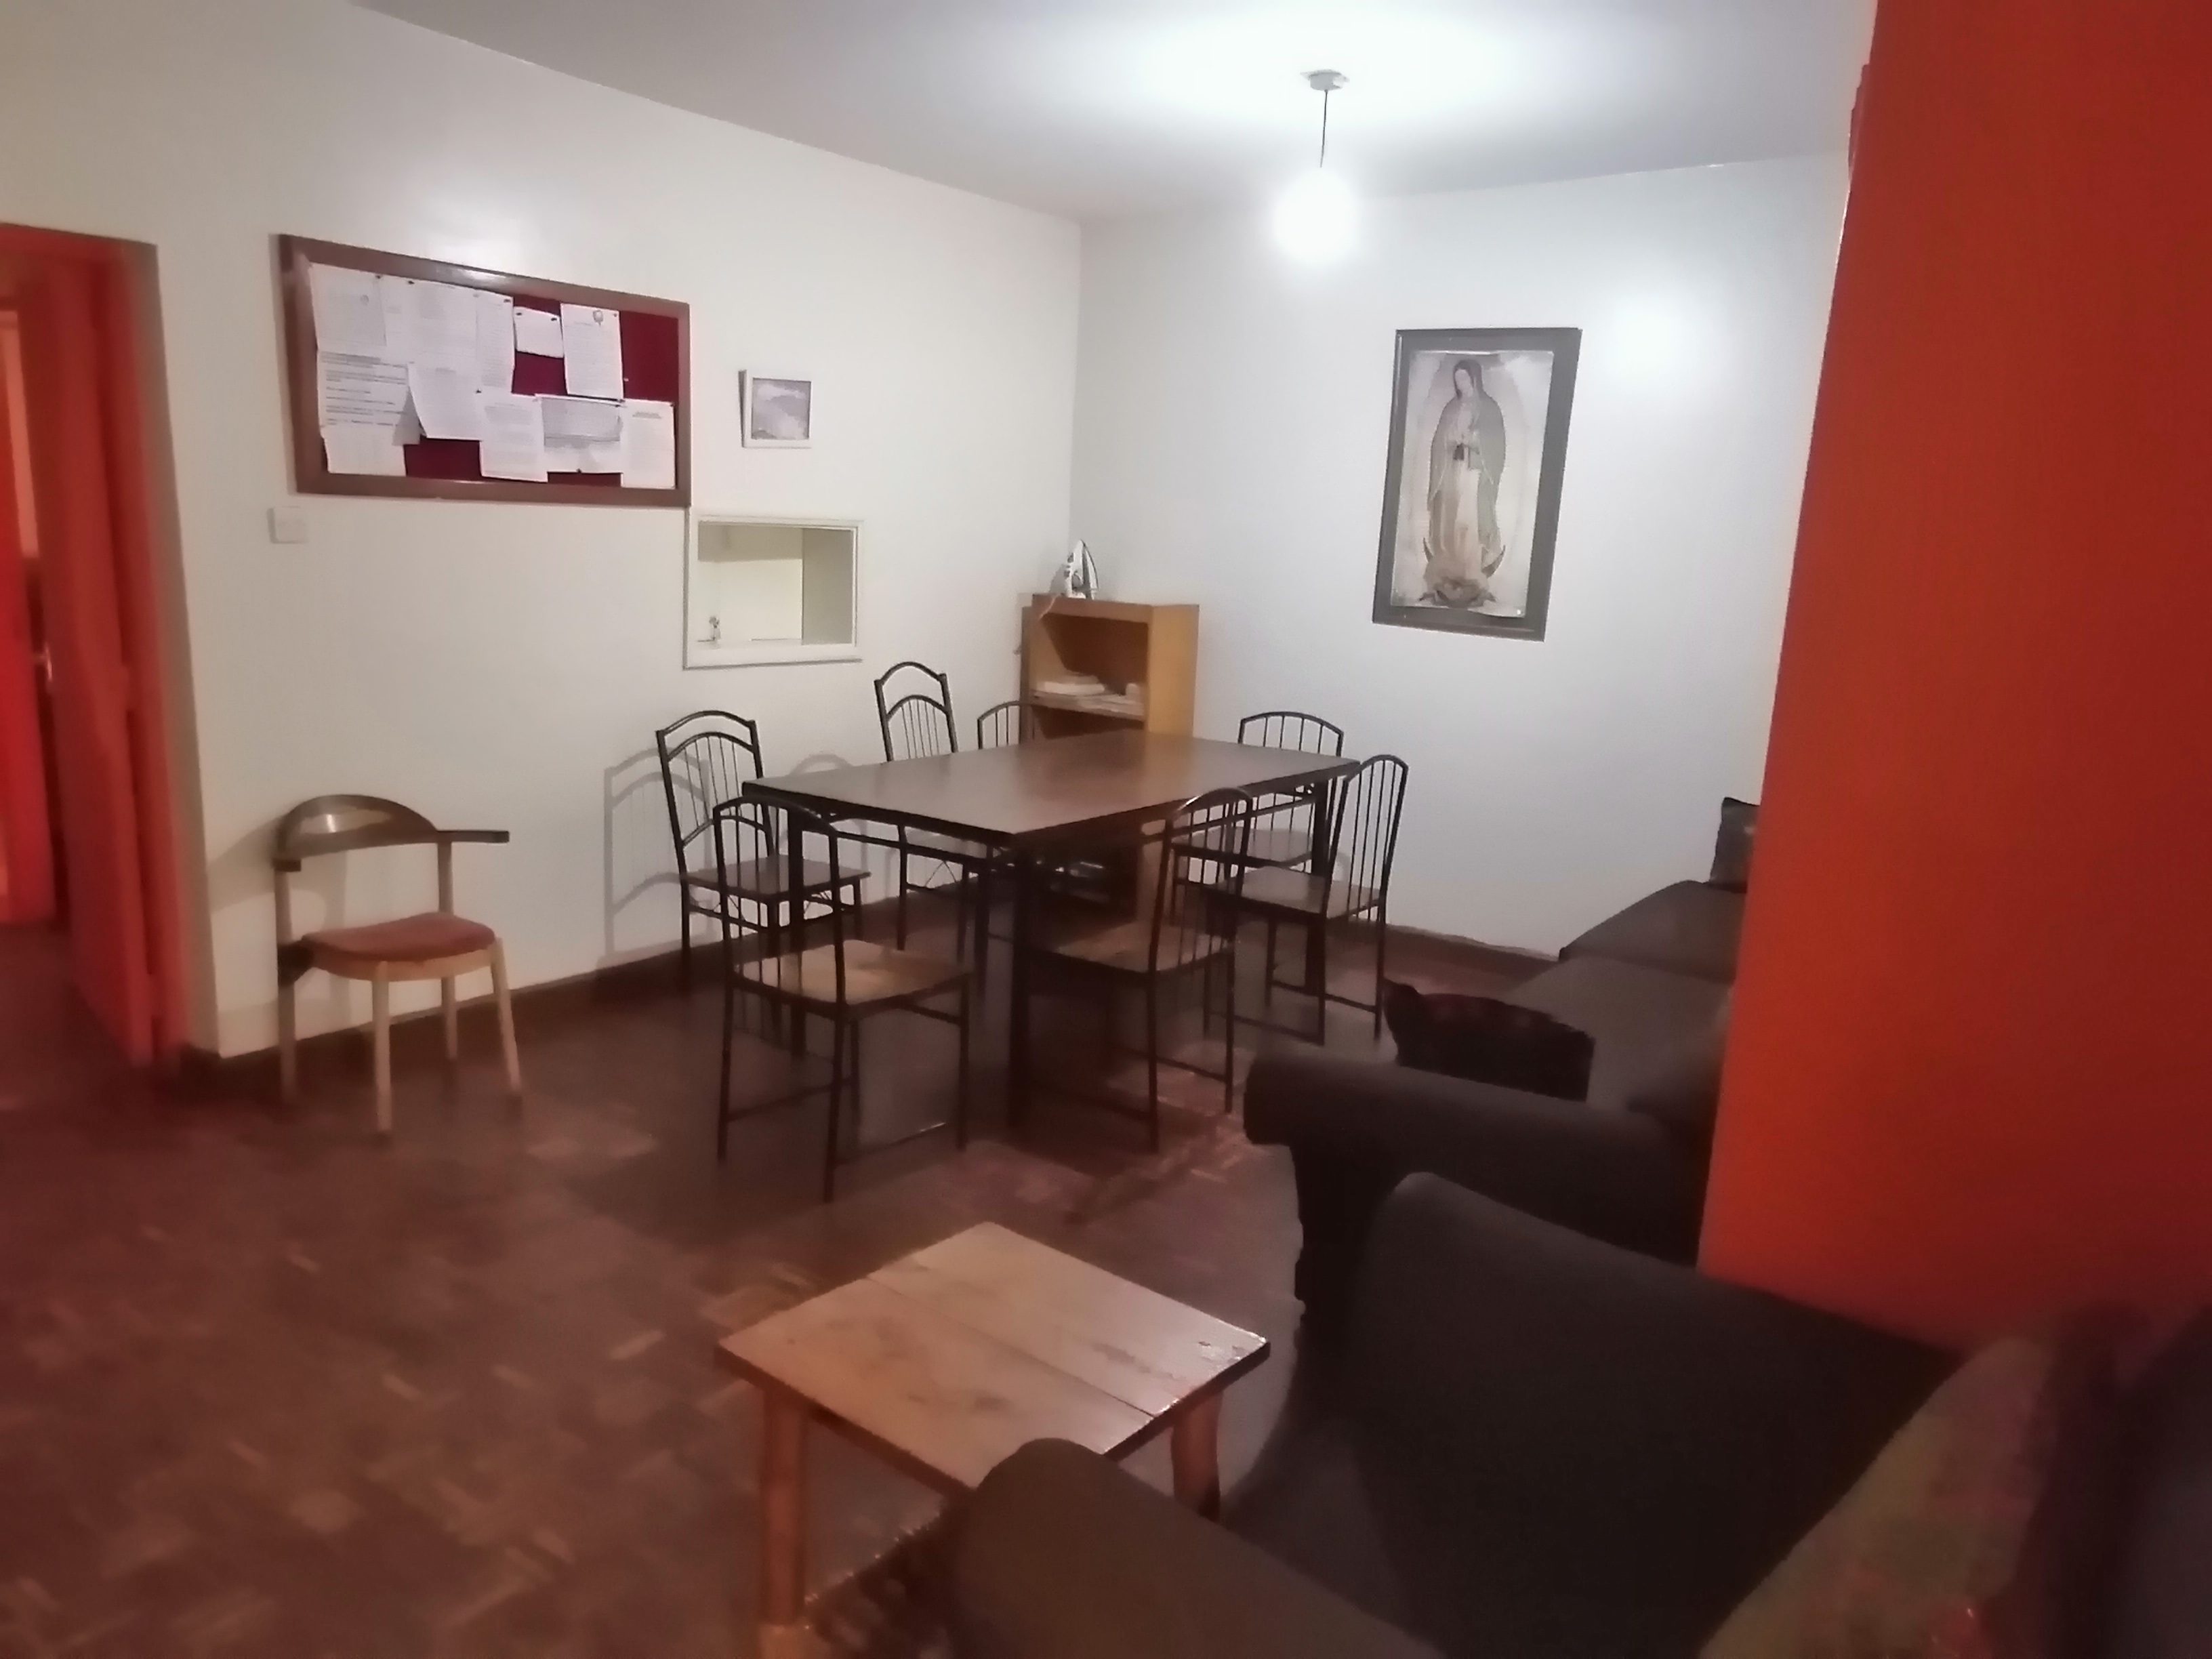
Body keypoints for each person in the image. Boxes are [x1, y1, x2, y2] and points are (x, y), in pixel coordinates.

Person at [1422, 358, 1507, 607]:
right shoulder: (1451, 408)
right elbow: (1438, 442)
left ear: (1474, 378)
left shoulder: (1489, 409)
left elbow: (1497, 446)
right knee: (1452, 518)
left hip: (1475, 475)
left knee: (1470, 519)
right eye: (1457, 379)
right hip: (1453, 473)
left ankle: (1471, 573)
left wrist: (1474, 440)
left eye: (1464, 378)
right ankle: (1450, 572)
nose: (1461, 383)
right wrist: (1449, 439)